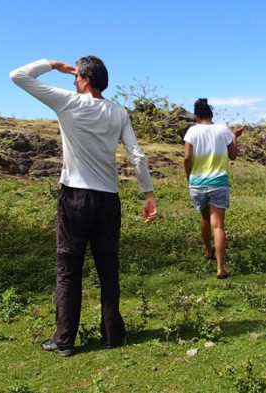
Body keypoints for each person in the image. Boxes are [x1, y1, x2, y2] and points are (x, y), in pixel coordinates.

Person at [10, 56, 157, 356]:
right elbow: (138, 156)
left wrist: (53, 64)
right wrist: (148, 194)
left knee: (68, 269)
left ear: (86, 80)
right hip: (107, 200)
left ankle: (65, 340)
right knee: (108, 268)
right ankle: (112, 334)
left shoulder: (68, 103)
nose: (73, 81)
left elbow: (18, 76)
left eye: (76, 77)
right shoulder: (119, 113)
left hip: (75, 198)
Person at [183, 98, 244, 279]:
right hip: (218, 182)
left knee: (204, 218)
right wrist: (235, 137)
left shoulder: (191, 131)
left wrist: (189, 177)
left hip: (198, 182)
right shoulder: (223, 130)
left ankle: (207, 250)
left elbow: (187, 158)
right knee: (218, 225)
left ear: (196, 115)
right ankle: (220, 268)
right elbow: (233, 156)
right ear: (211, 114)